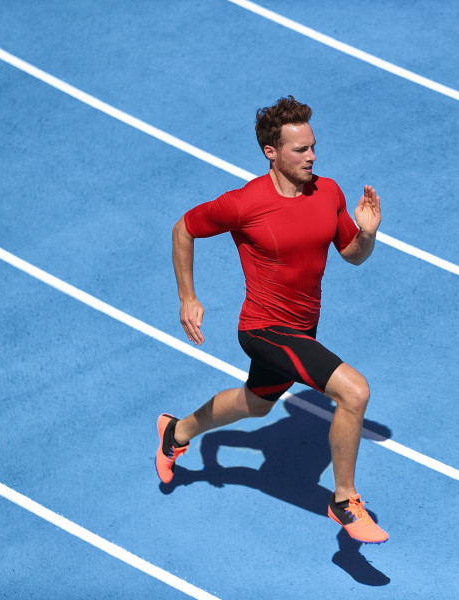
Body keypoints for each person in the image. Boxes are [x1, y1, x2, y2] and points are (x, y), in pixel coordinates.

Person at [156, 96, 388, 544]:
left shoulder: (329, 192)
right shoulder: (244, 203)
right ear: (272, 153)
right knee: (354, 392)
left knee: (256, 404)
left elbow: (353, 258)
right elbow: (183, 228)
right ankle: (344, 501)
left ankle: (175, 431)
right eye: (300, 150)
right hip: (263, 329)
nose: (312, 156)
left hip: (303, 327)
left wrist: (366, 234)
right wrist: (187, 296)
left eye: (313, 147)